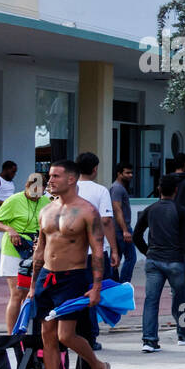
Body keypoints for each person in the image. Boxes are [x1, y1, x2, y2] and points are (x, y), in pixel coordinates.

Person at [25, 160, 110, 369]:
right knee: (47, 336)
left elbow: (97, 252)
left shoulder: (87, 211)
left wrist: (95, 287)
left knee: (65, 335)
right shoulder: (46, 210)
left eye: (55, 176)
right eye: (49, 176)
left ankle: (98, 366)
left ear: (71, 179)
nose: (49, 180)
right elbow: (40, 249)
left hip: (73, 278)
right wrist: (32, 286)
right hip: (46, 278)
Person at [134, 173, 185, 352]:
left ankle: (149, 340)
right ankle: (184, 332)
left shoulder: (150, 209)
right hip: (176, 261)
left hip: (154, 260)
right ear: (176, 191)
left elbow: (136, 235)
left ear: (159, 189)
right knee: (181, 298)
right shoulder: (181, 211)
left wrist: (147, 252)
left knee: (151, 300)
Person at [0, 172, 47, 333]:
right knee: (18, 293)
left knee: (33, 293)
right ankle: (12, 336)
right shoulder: (14, 200)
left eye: (39, 192)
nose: (36, 196)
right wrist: (10, 229)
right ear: (26, 187)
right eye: (33, 192)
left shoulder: (45, 201)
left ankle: (27, 331)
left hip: (36, 249)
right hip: (15, 249)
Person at [75, 152, 118, 357]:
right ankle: (90, 336)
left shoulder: (64, 190)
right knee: (92, 293)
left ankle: (70, 333)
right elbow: (107, 221)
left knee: (71, 292)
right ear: (95, 169)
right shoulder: (100, 190)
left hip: (68, 253)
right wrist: (114, 248)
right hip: (94, 252)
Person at [110, 162, 136, 284]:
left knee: (116, 258)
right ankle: (123, 284)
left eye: (131, 173)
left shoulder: (120, 187)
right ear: (119, 173)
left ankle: (114, 283)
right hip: (121, 229)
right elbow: (117, 209)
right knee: (131, 258)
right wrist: (125, 230)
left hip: (120, 228)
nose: (130, 175)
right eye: (127, 173)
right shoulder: (117, 188)